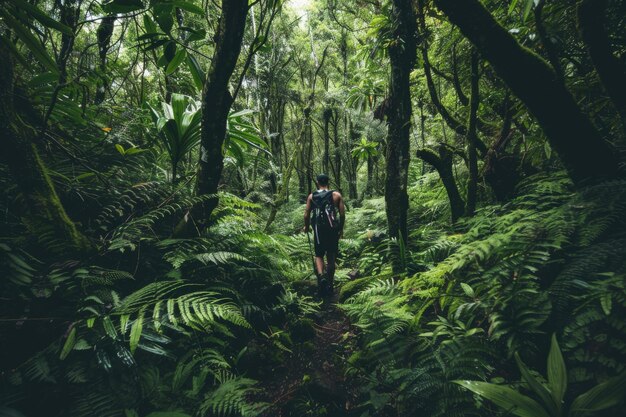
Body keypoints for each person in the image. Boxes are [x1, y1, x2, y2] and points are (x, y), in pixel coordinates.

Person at [303, 174, 345, 296]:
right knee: (331, 256)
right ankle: (330, 284)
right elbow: (342, 214)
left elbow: (306, 215)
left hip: (318, 229)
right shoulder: (336, 195)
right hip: (332, 229)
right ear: (328, 182)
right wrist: (340, 229)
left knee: (319, 254)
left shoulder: (312, 196)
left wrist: (306, 227)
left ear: (317, 183)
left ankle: (321, 276)